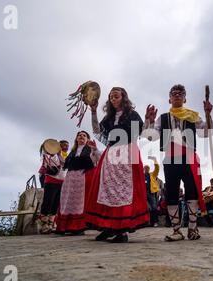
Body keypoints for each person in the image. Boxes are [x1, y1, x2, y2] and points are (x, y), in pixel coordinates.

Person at [144, 84, 213, 241]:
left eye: (180, 94)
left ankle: (192, 229)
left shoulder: (193, 115)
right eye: (174, 94)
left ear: (185, 98)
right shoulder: (162, 118)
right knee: (171, 193)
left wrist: (208, 114)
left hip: (189, 157)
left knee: (192, 192)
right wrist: (148, 122)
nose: (177, 96)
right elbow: (151, 137)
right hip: (170, 158)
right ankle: (176, 231)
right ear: (169, 98)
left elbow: (206, 132)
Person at [84, 87, 149, 243]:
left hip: (127, 151)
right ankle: (107, 227)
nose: (113, 99)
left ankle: (122, 231)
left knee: (123, 190)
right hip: (111, 152)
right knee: (107, 189)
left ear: (123, 98)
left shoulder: (132, 115)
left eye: (116, 96)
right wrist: (93, 111)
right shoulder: (109, 117)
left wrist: (148, 121)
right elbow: (97, 130)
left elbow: (142, 133)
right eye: (111, 97)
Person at [55, 131, 100, 235]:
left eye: (84, 135)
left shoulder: (90, 150)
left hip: (82, 177)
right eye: (79, 135)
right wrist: (58, 154)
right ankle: (64, 227)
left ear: (87, 139)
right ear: (76, 138)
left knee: (79, 202)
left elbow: (97, 159)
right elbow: (65, 163)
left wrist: (94, 149)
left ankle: (78, 227)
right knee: (67, 201)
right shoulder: (72, 152)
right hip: (70, 178)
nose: (81, 136)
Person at [39, 146, 66, 234]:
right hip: (51, 181)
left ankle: (51, 223)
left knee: (56, 203)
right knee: (48, 201)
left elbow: (65, 165)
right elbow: (47, 165)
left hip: (61, 181)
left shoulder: (61, 156)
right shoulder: (47, 156)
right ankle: (44, 224)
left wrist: (59, 155)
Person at [144, 156, 160, 227]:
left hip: (151, 193)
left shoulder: (152, 175)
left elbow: (157, 168)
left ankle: (155, 222)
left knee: (154, 207)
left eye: (147, 168)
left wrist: (155, 160)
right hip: (143, 194)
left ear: (149, 169)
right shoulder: (141, 176)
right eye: (145, 168)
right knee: (145, 208)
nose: (146, 169)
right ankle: (146, 222)